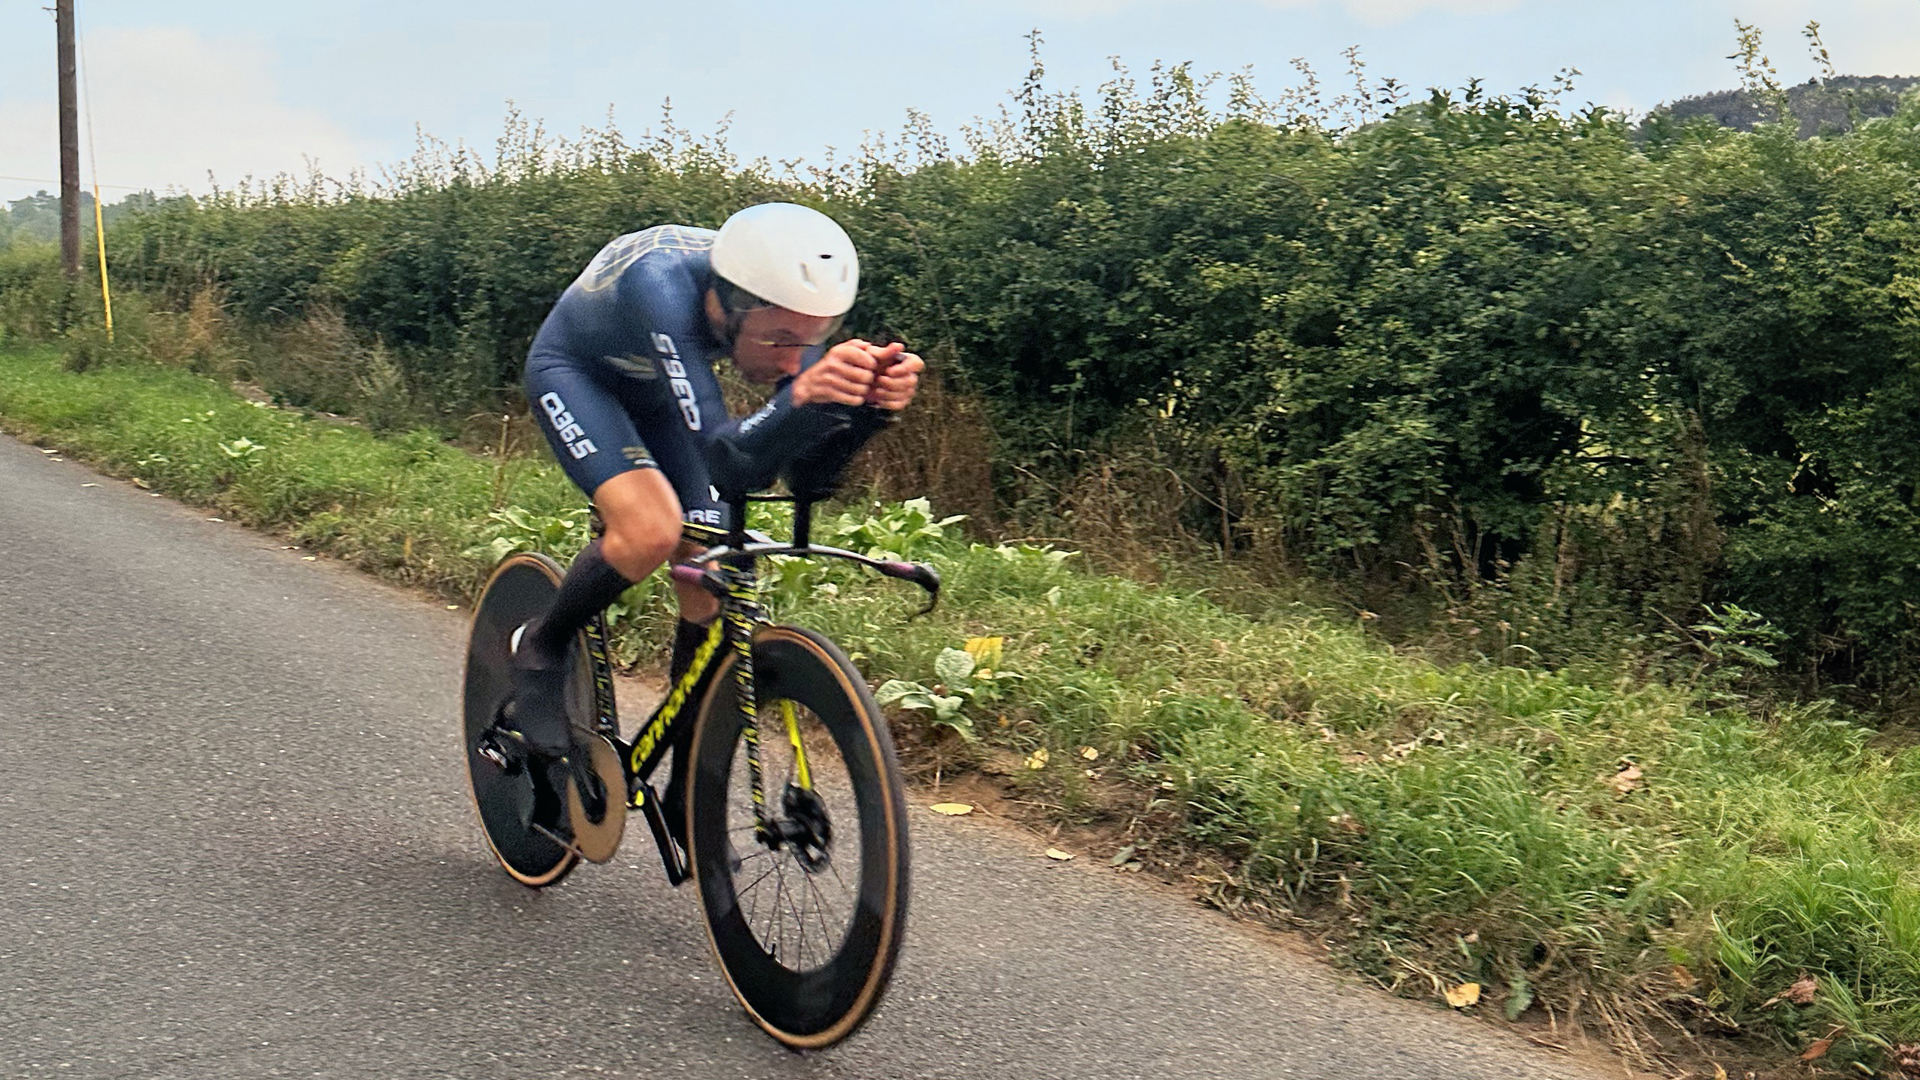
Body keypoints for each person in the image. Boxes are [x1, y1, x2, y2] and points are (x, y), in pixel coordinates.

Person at [504, 202, 924, 829]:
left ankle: (687, 778)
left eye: (811, 340)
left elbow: (800, 476)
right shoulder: (660, 285)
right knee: (651, 529)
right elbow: (727, 457)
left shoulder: (783, 307)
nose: (794, 359)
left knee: (707, 562)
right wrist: (801, 399)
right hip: (578, 373)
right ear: (727, 304)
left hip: (659, 389)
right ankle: (542, 645)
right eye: (780, 340)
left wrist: (865, 413)